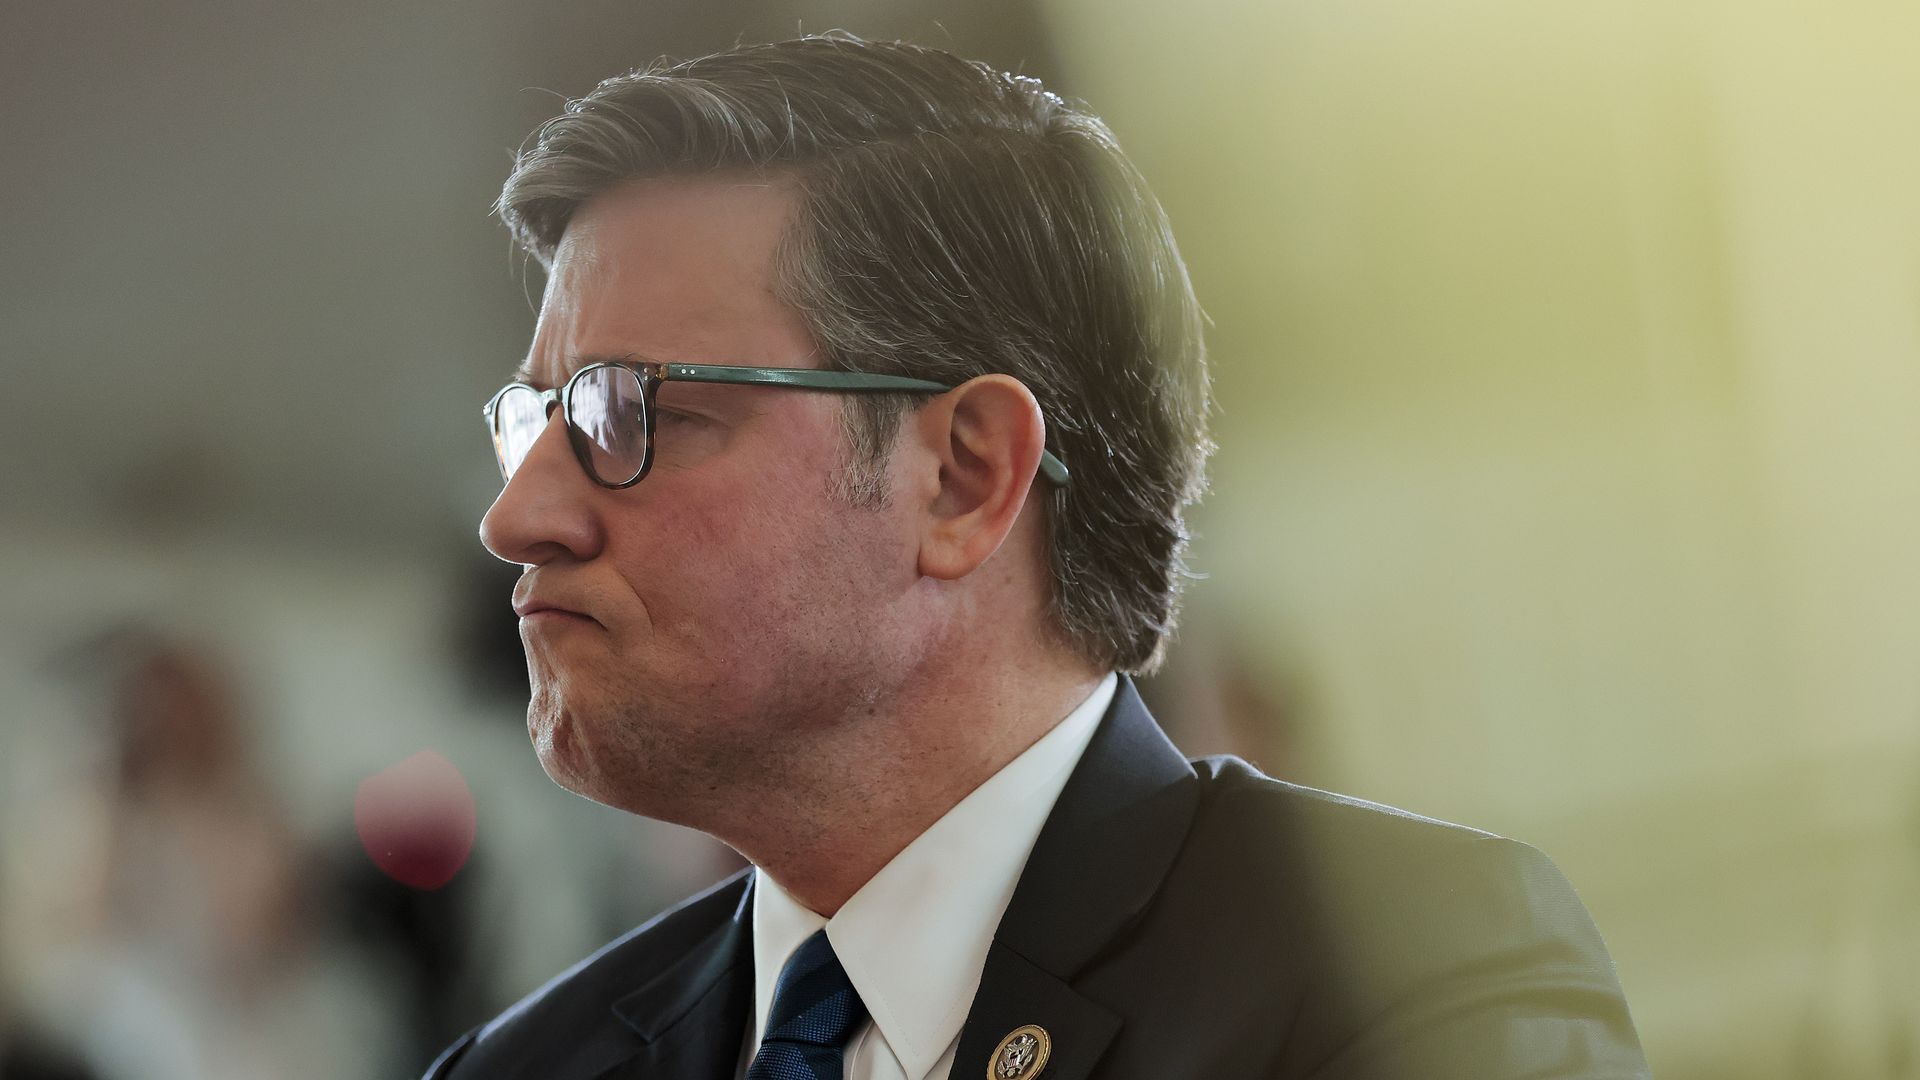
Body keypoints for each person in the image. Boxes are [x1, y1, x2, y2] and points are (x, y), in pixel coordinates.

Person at [429, 33, 1650, 1080]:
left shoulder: (1396, 971)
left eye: (630, 412)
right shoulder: (530, 1066)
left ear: (965, 475)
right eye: (536, 421)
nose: (517, 519)